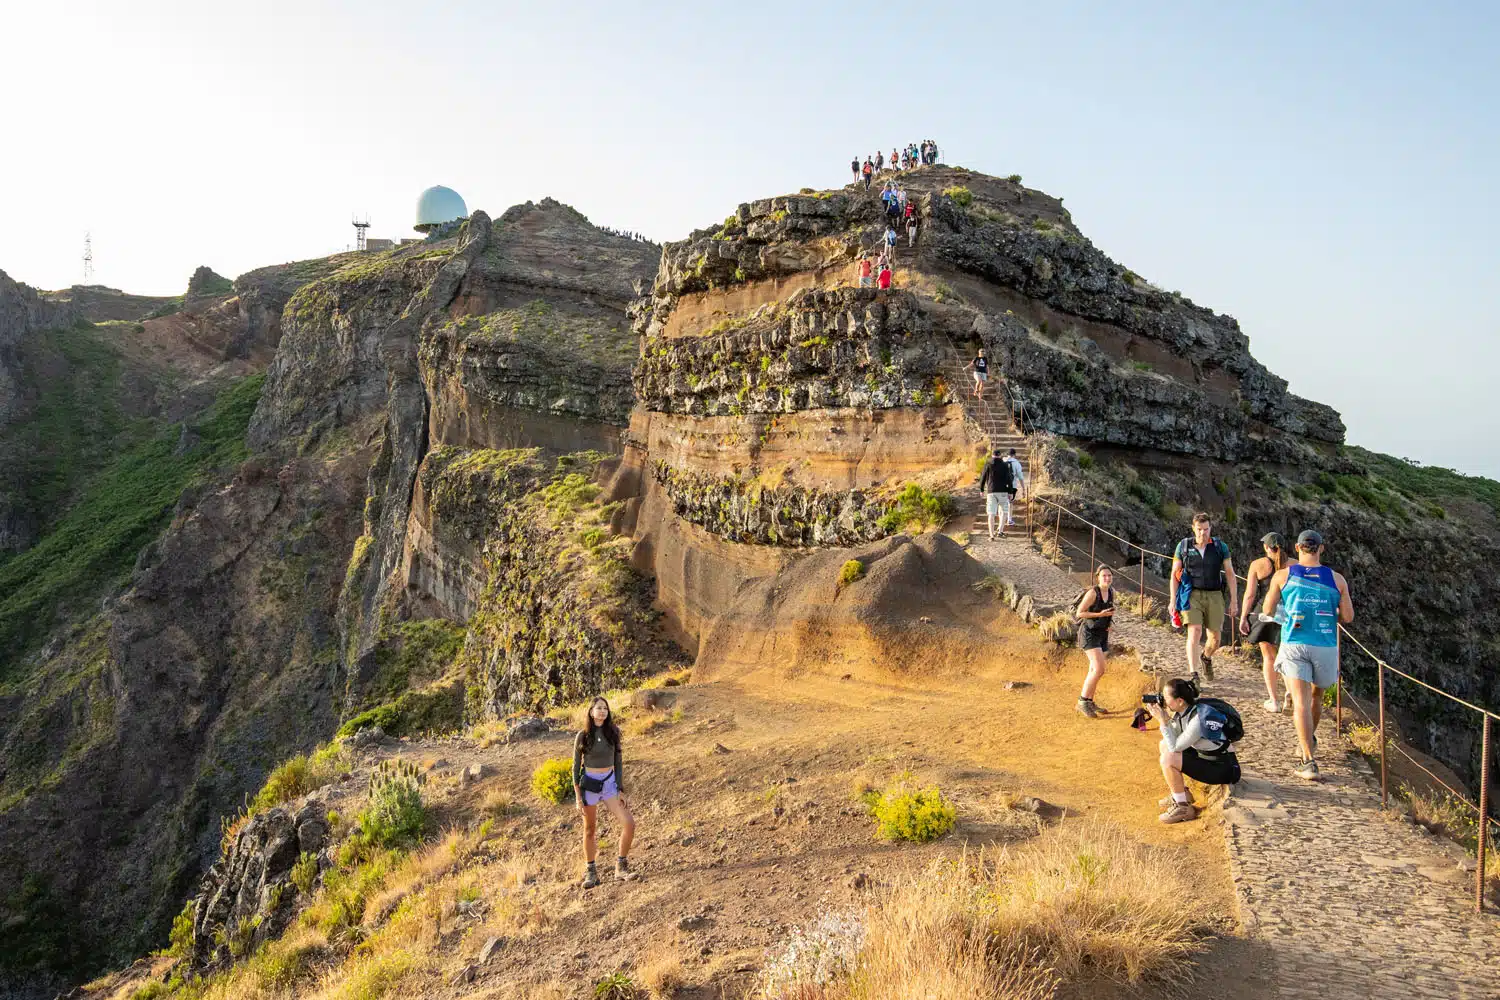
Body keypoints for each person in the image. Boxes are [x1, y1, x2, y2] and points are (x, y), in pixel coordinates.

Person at [1261, 530, 1353, 780]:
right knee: (1316, 697)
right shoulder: (1338, 580)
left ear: (1297, 548)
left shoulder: (1283, 575)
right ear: (1321, 548)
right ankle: (1308, 739)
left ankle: (1309, 761)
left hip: (1294, 642)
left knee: (1299, 702)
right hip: (1324, 645)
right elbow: (1348, 617)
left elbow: (1268, 609)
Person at [1148, 677, 1242, 823]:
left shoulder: (1198, 719)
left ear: (1180, 701)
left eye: (1166, 698)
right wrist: (1166, 720)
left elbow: (1175, 747)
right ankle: (1182, 794)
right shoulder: (1185, 711)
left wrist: (1162, 722)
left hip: (1223, 768)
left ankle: (1183, 808)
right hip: (1207, 758)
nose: (1164, 702)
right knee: (1163, 745)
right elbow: (1172, 740)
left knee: (1168, 758)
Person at [573, 697, 637, 887]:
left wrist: (620, 789)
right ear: (591, 712)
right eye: (599, 708)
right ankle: (591, 872)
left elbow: (618, 762)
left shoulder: (613, 732)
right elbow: (575, 768)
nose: (602, 711)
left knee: (629, 823)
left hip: (609, 783)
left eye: (605, 709)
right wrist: (577, 796)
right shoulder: (582, 735)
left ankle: (621, 867)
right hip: (589, 785)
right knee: (590, 829)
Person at [1170, 513, 1236, 683]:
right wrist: (1172, 600)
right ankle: (1194, 675)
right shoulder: (1183, 546)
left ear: (1210, 528)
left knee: (1215, 639)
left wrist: (1234, 600)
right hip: (1192, 594)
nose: (1202, 533)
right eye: (1199, 530)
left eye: (1206, 529)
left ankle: (1206, 657)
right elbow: (1174, 574)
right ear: (1193, 528)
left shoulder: (1221, 547)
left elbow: (1229, 573)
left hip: (1215, 594)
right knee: (1195, 631)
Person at [1239, 532, 1291, 713]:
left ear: (1266, 547)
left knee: (1269, 657)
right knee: (1287, 657)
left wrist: (1244, 617)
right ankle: (1290, 692)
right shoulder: (1295, 565)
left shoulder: (1258, 565)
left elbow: (1250, 594)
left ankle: (1274, 701)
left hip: (1266, 615)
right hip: (1288, 616)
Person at [1075, 565, 1115, 718]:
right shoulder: (1093, 593)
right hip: (1089, 634)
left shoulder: (1111, 592)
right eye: (1104, 576)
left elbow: (1109, 611)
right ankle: (1082, 701)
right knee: (1099, 669)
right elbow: (1080, 613)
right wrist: (1099, 614)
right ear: (1098, 577)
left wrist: (1109, 623)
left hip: (1101, 633)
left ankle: (1090, 701)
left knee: (1094, 670)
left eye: (1109, 575)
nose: (1107, 578)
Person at [978, 445, 1014, 540]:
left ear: (992, 455)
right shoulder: (1005, 465)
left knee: (991, 514)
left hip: (991, 491)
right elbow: (1009, 479)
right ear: (1000, 455)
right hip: (1003, 491)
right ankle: (1000, 531)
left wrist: (981, 489)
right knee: (1004, 512)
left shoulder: (988, 464)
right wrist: (1010, 492)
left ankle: (991, 535)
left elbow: (983, 477)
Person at [1003, 448, 1025, 524]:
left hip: (1001, 486)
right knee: (1010, 503)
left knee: (1002, 504)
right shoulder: (1017, 463)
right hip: (1012, 486)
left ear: (1007, 454)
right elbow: (1021, 478)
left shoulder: (1002, 461)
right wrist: (1023, 489)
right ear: (1014, 455)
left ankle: (1001, 521)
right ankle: (1009, 519)